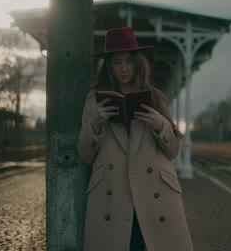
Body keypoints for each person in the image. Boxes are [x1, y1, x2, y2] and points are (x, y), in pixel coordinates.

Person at [77, 27, 194, 251]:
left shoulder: (155, 97)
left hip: (153, 194)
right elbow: (85, 155)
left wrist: (160, 124)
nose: (123, 68)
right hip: (114, 195)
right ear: (108, 66)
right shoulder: (94, 101)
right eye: (117, 62)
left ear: (137, 63)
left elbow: (173, 151)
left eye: (128, 61)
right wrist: (95, 123)